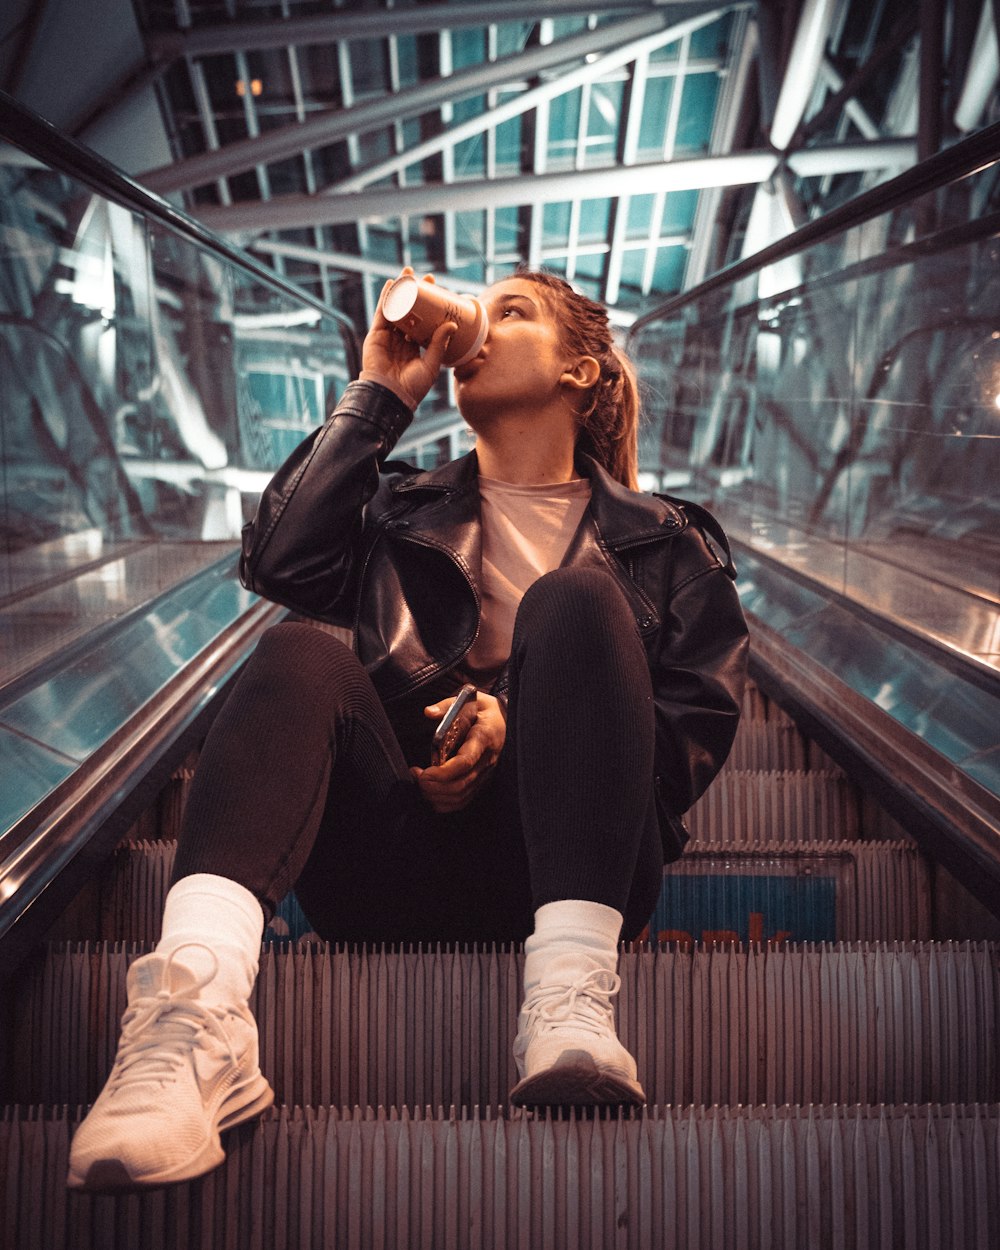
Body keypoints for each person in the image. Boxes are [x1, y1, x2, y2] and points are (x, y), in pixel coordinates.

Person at [67, 267, 748, 1191]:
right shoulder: (396, 506)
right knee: (299, 653)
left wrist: (523, 721)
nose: (479, 324)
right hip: (388, 865)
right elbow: (279, 563)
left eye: (512, 312)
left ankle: (569, 1001)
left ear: (580, 374)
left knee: (580, 603)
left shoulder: (668, 542)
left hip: (574, 869)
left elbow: (685, 745)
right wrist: (380, 395)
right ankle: (193, 1022)